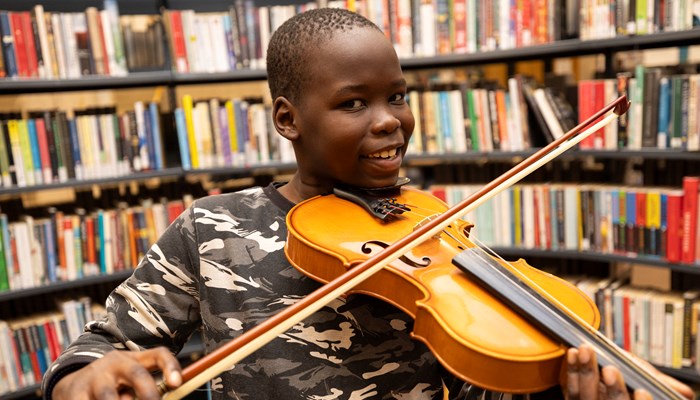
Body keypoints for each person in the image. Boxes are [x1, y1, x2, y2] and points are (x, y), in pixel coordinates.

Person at [42, 8, 694, 400]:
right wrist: (88, 379)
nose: (390, 122)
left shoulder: (433, 229)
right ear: (288, 119)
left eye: (398, 96)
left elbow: (478, 382)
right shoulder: (211, 229)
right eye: (354, 103)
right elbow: (95, 352)